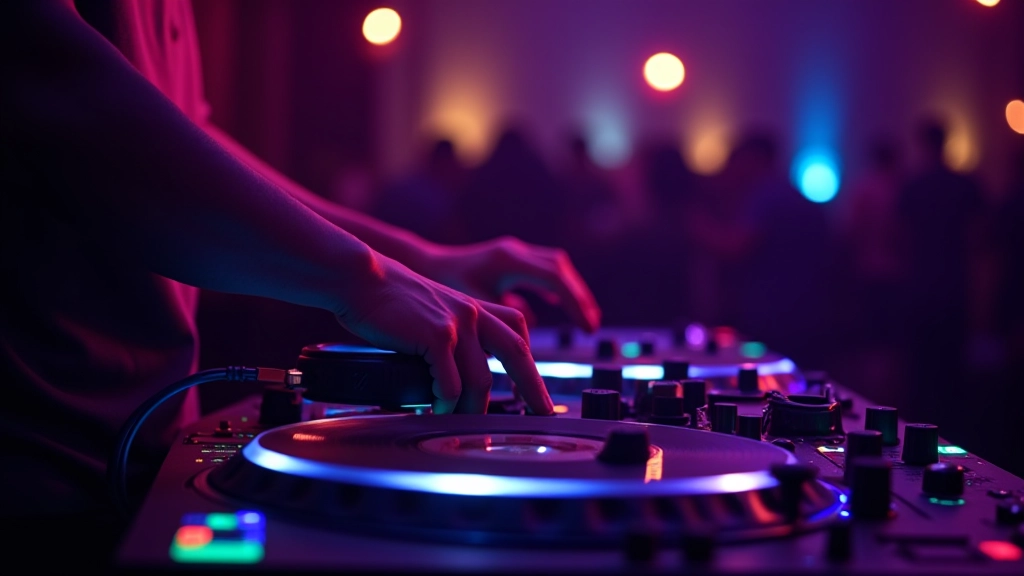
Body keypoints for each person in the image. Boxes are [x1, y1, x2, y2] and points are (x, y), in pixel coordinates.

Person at [0, 1, 600, 571]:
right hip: (39, 484)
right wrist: (365, 280)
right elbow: (59, 95)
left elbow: (185, 136)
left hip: (148, 450)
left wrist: (418, 262)